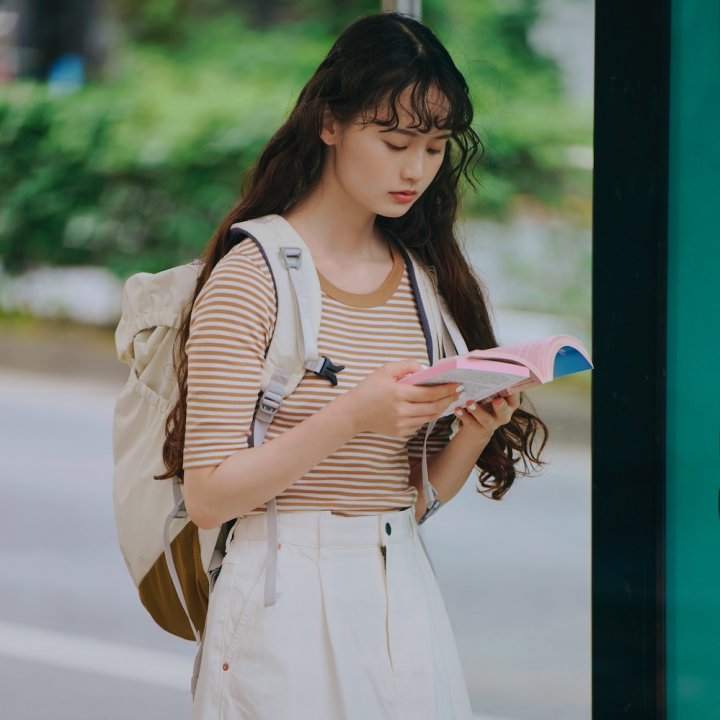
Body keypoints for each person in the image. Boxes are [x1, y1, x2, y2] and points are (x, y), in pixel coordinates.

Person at [158, 11, 547, 720]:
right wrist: (350, 416)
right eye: (395, 139)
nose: (415, 169)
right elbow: (210, 496)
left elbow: (406, 502)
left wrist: (475, 432)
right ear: (329, 122)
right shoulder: (254, 276)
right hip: (284, 597)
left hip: (400, 588)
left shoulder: (419, 281)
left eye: (434, 147)